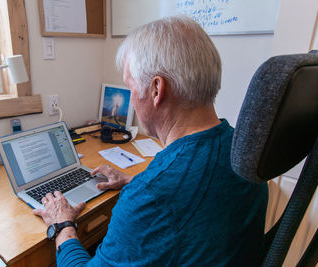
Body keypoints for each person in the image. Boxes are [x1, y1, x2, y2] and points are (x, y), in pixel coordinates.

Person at [34, 15, 268, 266]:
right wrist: (131, 180)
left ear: (156, 89)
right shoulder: (243, 148)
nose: (132, 99)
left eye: (130, 86)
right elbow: (195, 191)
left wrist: (63, 225)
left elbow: (165, 195)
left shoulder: (150, 195)